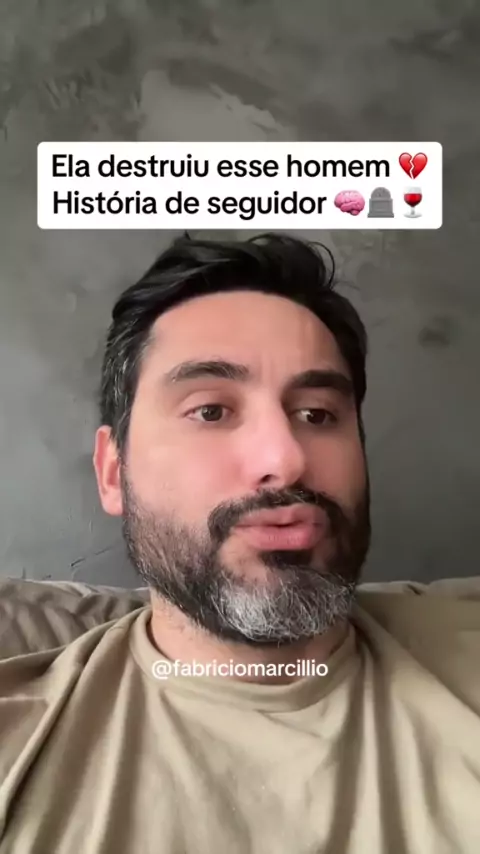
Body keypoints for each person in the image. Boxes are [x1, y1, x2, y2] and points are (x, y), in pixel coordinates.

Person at [0, 232, 479, 854]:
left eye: (317, 414)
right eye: (211, 411)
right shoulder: (20, 748)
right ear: (114, 472)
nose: (286, 459)